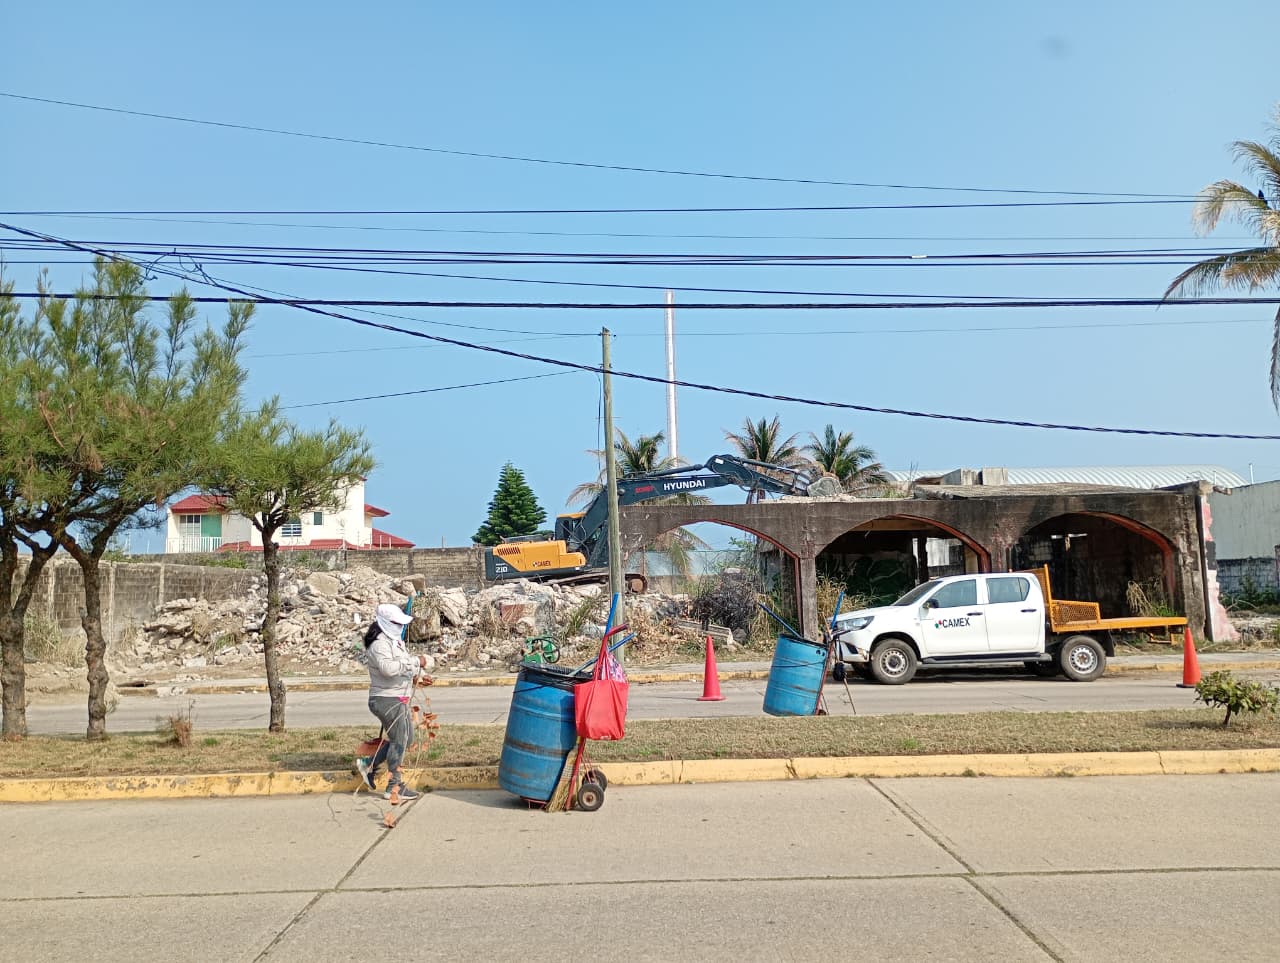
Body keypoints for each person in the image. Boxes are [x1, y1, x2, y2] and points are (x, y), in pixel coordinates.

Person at [356, 602, 428, 802]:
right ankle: (394, 786)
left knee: (407, 738)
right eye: (397, 623)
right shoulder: (379, 643)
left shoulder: (394, 641)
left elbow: (402, 665)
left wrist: (417, 674)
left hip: (398, 698)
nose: (400, 627)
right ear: (385, 622)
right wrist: (416, 661)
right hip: (386, 699)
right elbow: (388, 669)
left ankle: (369, 765)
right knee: (399, 740)